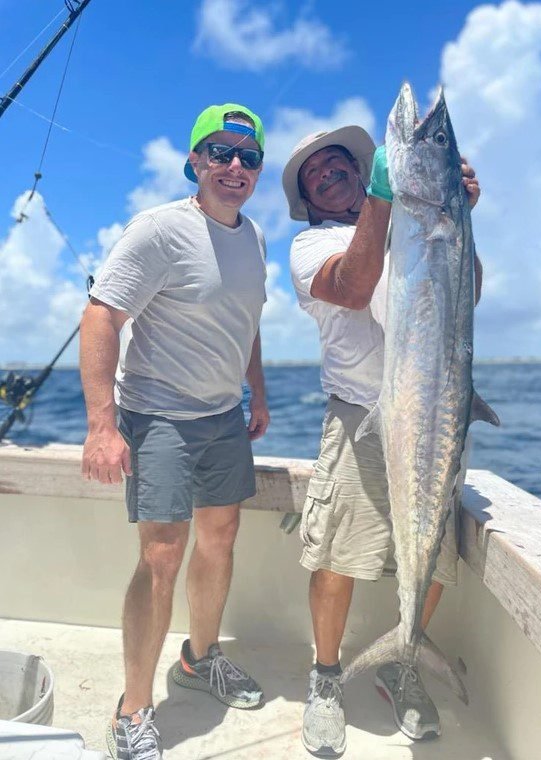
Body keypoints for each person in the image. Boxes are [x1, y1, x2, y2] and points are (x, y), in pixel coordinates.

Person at [282, 127, 482, 757]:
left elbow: (467, 296)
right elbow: (354, 287)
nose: (328, 171)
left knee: (434, 556)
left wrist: (459, 221)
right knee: (338, 557)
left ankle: (403, 660)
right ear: (306, 198)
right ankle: (326, 677)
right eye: (314, 172)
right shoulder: (310, 245)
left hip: (435, 412)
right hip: (359, 418)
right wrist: (383, 200)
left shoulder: (411, 225)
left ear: (361, 168)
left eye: (339, 162)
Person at [80, 103, 270, 760]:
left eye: (249, 157)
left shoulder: (255, 237)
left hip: (222, 416)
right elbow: (101, 316)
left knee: (220, 538)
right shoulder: (159, 230)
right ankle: (132, 710)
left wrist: (257, 393)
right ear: (195, 160)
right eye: (220, 151)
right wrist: (102, 425)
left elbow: (247, 323)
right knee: (161, 556)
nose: (235, 166)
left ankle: (199, 657)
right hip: (158, 415)